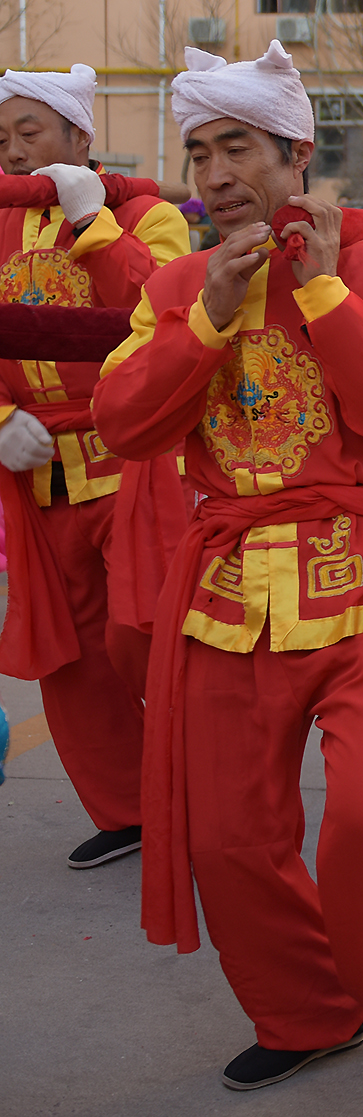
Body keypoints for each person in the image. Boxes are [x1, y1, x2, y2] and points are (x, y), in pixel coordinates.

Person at [94, 41, 363, 1099]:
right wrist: (205, 314)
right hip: (222, 596)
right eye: (199, 153)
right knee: (226, 836)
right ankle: (308, 1009)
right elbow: (125, 423)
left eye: (237, 148)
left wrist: (325, 293)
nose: (213, 176)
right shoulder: (174, 284)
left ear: (297, 152)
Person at [0, 62, 189, 870]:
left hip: (136, 469)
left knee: (143, 635)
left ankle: (202, 788)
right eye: (1, 137)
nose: (11, 151)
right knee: (71, 657)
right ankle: (129, 808)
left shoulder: (147, 213)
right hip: (40, 478)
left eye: (29, 132)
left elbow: (167, 314)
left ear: (81, 137)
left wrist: (96, 223)